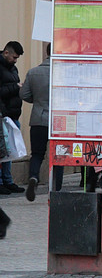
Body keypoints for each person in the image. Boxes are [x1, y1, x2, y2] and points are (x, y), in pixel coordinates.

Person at [19, 45, 52, 200]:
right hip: (59, 120)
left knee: (37, 154)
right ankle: (56, 188)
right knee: (58, 155)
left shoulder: (33, 72)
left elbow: (24, 94)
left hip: (38, 118)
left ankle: (33, 177)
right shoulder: (64, 72)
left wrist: (37, 101)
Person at [0, 41, 24, 193]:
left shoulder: (12, 68)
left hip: (12, 116)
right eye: (14, 57)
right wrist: (16, 87)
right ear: (6, 53)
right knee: (2, 150)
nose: (15, 61)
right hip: (3, 115)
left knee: (9, 151)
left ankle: (8, 180)